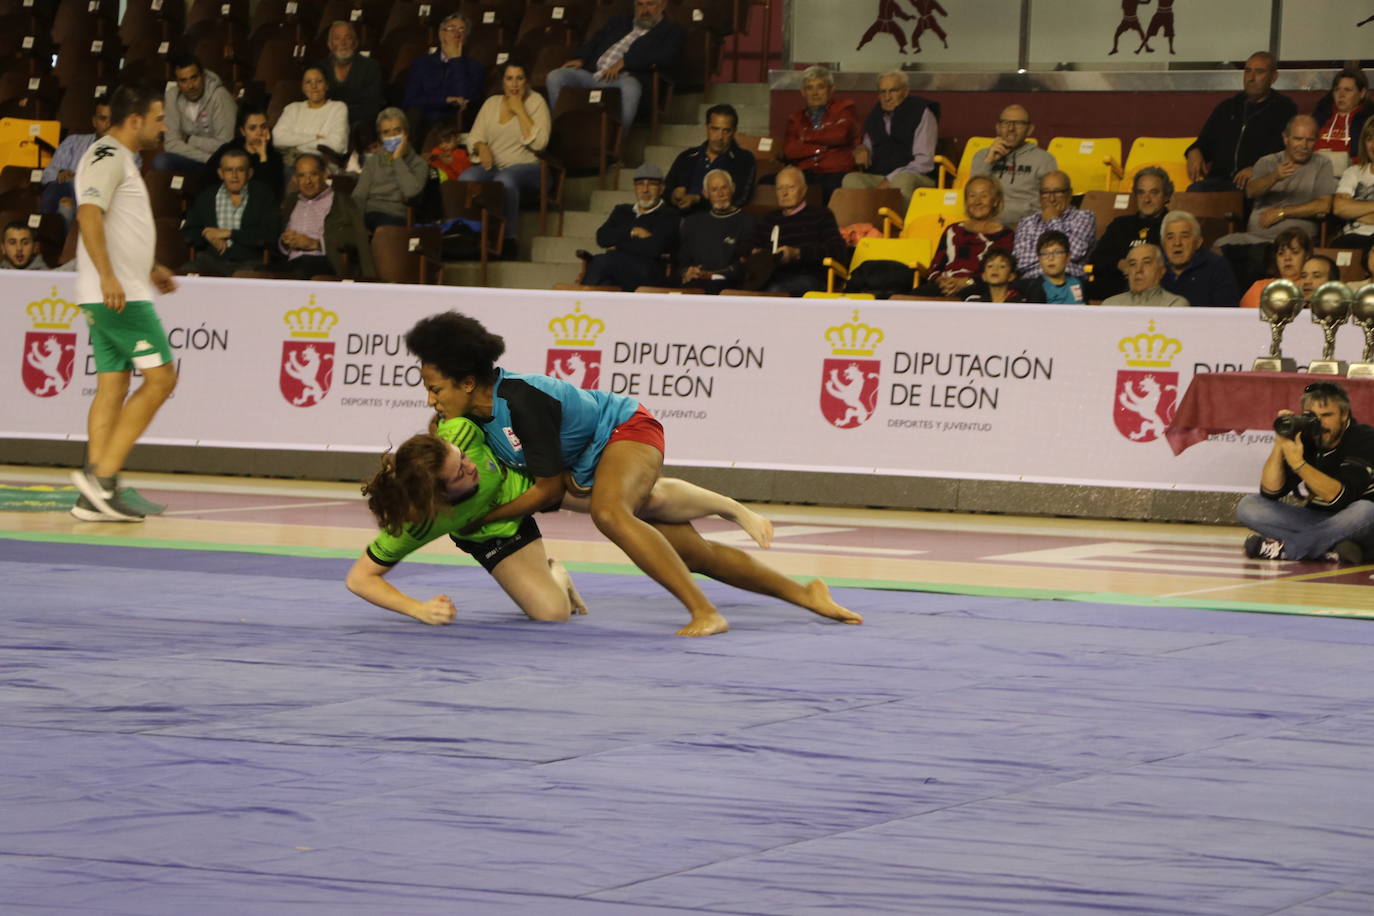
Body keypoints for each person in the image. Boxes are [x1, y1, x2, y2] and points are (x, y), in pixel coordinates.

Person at [403, 311, 864, 636]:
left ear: (467, 382)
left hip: (626, 428)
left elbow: (547, 492)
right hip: (589, 462)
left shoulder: (522, 401)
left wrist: (483, 520)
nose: (431, 399)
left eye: (435, 388)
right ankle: (807, 594)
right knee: (693, 553)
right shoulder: (463, 423)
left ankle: (705, 611)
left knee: (609, 514)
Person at [350, 416, 791, 626]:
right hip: (495, 533)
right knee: (552, 615)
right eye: (459, 473)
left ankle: (733, 507)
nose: (468, 465)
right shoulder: (418, 523)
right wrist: (417, 609)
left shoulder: (458, 433)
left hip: (530, 482)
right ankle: (555, 576)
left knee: (636, 502)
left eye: (463, 459)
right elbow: (360, 578)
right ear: (436, 497)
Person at [69, 82, 179, 522]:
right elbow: (87, 214)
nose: (163, 126)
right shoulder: (106, 156)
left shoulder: (119, 159)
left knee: (113, 386)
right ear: (134, 120)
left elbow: (116, 225)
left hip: (119, 288)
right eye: (157, 118)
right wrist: (110, 277)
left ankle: (98, 495)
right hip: (118, 296)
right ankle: (101, 478)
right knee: (161, 379)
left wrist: (148, 267)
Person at [1236, 381, 1374, 564]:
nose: (1320, 422)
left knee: (1366, 510)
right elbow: (1270, 491)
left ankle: (1289, 549)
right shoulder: (1307, 437)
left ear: (1344, 414)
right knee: (1249, 506)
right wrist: (1281, 443)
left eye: (1327, 415)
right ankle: (1329, 549)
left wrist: (1299, 463)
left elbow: (1341, 496)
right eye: (1313, 416)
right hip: (1323, 522)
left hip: (1361, 524)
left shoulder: (1363, 438)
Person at [1214, 115, 1337, 287]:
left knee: (1259, 255)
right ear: (1285, 138)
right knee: (1218, 249)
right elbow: (1251, 190)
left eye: (1309, 140)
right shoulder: (1267, 162)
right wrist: (1275, 176)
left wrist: (1282, 213)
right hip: (1256, 236)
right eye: (1298, 139)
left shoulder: (1321, 164)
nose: (1303, 145)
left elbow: (1324, 204)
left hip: (1294, 243)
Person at [545, 0, 684, 132]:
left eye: (650, 4)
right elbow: (594, 41)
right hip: (592, 73)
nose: (644, 10)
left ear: (663, 5)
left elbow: (667, 57)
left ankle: (617, 143)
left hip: (622, 79)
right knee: (556, 76)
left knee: (630, 87)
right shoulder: (619, 21)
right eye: (640, 4)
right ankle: (561, 132)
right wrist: (581, 58)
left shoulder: (671, 31)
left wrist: (627, 61)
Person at [459, 61, 550, 258]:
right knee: (466, 178)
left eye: (520, 78)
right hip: (494, 166)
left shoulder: (536, 102)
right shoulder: (492, 103)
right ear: (503, 82)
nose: (514, 84)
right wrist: (481, 147)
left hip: (529, 167)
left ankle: (509, 241)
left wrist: (520, 110)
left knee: (505, 180)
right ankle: (469, 238)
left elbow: (540, 144)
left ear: (527, 81)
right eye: (509, 79)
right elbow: (474, 137)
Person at [1185, 51, 1296, 192]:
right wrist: (1194, 151)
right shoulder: (1227, 107)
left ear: (1273, 77)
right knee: (1194, 192)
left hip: (1256, 184)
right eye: (1248, 71)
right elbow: (1204, 143)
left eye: (1259, 72)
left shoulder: (1284, 109)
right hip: (1219, 181)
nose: (1251, 77)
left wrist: (1257, 169)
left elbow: (1284, 153)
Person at [743, 166, 845, 296]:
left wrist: (798, 253)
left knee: (774, 291)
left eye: (791, 187)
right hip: (771, 276)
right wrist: (755, 253)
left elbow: (837, 251)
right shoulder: (769, 219)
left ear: (803, 190)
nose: (784, 193)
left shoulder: (821, 215)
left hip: (810, 277)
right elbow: (746, 245)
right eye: (780, 188)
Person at [180, 149, 280, 276]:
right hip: (211, 261)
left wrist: (229, 233)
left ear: (249, 173)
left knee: (244, 278)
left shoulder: (262, 195)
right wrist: (207, 234)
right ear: (221, 173)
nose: (234, 175)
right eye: (229, 170)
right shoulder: (207, 196)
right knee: (183, 276)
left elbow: (270, 234)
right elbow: (189, 231)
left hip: (250, 263)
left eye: (240, 170)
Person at [912, 175, 1013, 298]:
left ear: (995, 201)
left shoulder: (1006, 235)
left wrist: (967, 282)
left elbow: (1003, 272)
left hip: (980, 287)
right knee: (903, 299)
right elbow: (935, 267)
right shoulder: (953, 230)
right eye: (972, 195)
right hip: (945, 286)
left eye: (984, 196)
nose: (977, 202)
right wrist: (941, 281)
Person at [277, 153, 375, 279]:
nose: (307, 181)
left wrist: (316, 244)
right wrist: (285, 241)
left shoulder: (342, 201)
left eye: (313, 174)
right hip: (291, 263)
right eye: (301, 176)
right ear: (295, 179)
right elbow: (278, 240)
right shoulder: (291, 201)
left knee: (303, 266)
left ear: (324, 175)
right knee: (258, 274)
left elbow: (357, 237)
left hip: (326, 262)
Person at [842, 70, 937, 200]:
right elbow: (867, 146)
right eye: (882, 92)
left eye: (893, 91)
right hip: (881, 175)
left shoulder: (921, 112)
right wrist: (861, 150)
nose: (887, 97)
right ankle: (865, 220)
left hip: (916, 176)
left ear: (905, 91)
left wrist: (890, 178)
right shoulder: (875, 116)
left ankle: (901, 221)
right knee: (851, 179)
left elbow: (924, 162)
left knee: (902, 180)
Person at [582, 163, 679, 291]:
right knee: (604, 283)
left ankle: (579, 302)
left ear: (662, 188)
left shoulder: (669, 215)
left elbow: (654, 248)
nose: (645, 189)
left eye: (651, 184)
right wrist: (633, 232)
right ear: (634, 188)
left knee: (601, 262)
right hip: (616, 270)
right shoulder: (622, 211)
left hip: (647, 273)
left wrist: (618, 244)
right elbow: (602, 237)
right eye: (640, 184)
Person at [1086, 166, 1172, 301]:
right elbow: (1096, 259)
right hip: (1115, 292)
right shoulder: (1120, 225)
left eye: (1154, 192)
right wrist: (1119, 264)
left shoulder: (1173, 225)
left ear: (1166, 195)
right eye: (1141, 193)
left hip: (1157, 294)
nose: (1146, 199)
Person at [781, 65, 862, 203]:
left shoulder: (844, 108)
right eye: (809, 88)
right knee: (771, 182)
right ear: (803, 92)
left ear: (831, 89)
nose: (815, 93)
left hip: (836, 170)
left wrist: (806, 137)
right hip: (806, 171)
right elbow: (790, 150)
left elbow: (839, 135)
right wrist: (823, 147)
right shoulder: (795, 118)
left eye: (820, 87)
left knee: (829, 186)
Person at [969, 104, 1057, 227]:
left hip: (1025, 227)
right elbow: (972, 195)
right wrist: (988, 162)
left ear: (1030, 129)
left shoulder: (1043, 159)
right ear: (998, 127)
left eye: (1019, 123)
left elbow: (1050, 202)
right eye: (1006, 123)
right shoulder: (982, 156)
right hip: (986, 224)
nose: (1011, 128)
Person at [403, 12, 484, 139]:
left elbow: (463, 98)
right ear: (441, 34)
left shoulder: (474, 66)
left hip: (451, 118)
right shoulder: (422, 62)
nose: (457, 34)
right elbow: (410, 99)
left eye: (462, 30)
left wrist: (456, 61)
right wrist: (444, 100)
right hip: (422, 117)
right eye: (451, 29)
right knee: (414, 113)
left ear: (466, 38)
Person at [664, 103, 756, 215]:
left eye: (726, 130)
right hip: (680, 218)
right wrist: (673, 196)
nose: (719, 137)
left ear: (734, 131)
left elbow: (739, 198)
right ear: (706, 128)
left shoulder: (744, 159)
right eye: (715, 129)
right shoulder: (687, 156)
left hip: (719, 220)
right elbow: (665, 190)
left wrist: (697, 199)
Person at [677, 169, 755, 293]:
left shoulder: (748, 222)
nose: (720, 194)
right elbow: (682, 261)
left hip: (728, 286)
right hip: (694, 284)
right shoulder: (692, 223)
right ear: (705, 193)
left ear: (733, 188)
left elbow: (744, 265)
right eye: (714, 190)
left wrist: (709, 274)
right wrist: (687, 271)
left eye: (724, 188)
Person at [352, 108, 429, 230]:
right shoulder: (373, 162)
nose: (392, 136)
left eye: (397, 131)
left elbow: (411, 193)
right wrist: (356, 226)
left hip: (398, 217)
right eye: (386, 132)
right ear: (381, 138)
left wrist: (397, 159)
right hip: (370, 214)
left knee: (386, 227)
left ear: (406, 133)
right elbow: (359, 196)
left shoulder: (419, 164)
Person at [1011, 170, 1094, 280]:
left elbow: (1074, 252)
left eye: (1058, 192)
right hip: (1032, 282)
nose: (1051, 199)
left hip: (1068, 280)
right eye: (1046, 192)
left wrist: (1052, 219)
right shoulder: (1027, 222)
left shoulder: (1084, 217)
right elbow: (1022, 261)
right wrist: (1057, 257)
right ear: (1040, 196)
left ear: (1069, 194)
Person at [157, 54, 235, 171]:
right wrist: (207, 159)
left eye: (194, 78)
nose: (190, 86)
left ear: (203, 76)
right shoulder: (171, 96)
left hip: (221, 160)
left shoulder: (220, 96)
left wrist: (189, 139)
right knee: (161, 161)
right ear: (177, 82)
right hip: (202, 158)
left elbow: (225, 146)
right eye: (183, 81)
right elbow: (171, 144)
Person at [40, 101, 110, 230]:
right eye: (103, 119)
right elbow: (47, 175)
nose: (108, 124)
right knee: (63, 201)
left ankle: (47, 238)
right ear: (94, 121)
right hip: (66, 194)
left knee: (67, 198)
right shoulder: (73, 142)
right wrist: (60, 173)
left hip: (99, 201)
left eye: (113, 120)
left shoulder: (127, 151)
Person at [205, 105, 286, 203]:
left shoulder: (275, 157)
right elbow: (206, 180)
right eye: (253, 128)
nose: (259, 132)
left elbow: (270, 194)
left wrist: (263, 158)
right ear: (243, 131)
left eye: (263, 127)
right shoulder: (228, 150)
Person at [271, 67, 349, 167]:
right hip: (291, 162)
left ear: (326, 85)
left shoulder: (338, 107)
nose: (314, 86)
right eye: (308, 82)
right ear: (303, 88)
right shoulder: (292, 108)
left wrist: (295, 144)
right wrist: (316, 137)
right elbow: (278, 139)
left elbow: (337, 145)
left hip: (322, 164)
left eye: (319, 81)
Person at [1161, 210, 1239, 307]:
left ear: (1198, 242)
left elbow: (1228, 313)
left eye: (1184, 236)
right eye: (1170, 237)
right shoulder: (1155, 268)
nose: (1177, 243)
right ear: (1164, 244)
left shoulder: (1217, 267)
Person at [321, 20, 384, 137]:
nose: (343, 43)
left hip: (358, 126)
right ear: (330, 44)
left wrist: (339, 117)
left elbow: (371, 107)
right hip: (324, 124)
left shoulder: (370, 67)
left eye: (348, 38)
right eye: (337, 38)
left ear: (355, 43)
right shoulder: (319, 69)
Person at [1312, 68, 1370, 175]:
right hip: (1314, 173)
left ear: (1362, 93)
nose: (1341, 95)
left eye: (1348, 90)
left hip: (1353, 175)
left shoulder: (1368, 121)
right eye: (1337, 89)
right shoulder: (1320, 116)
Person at [1239, 226, 1313, 309]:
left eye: (1295, 252)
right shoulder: (1260, 288)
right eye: (1281, 253)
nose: (1287, 258)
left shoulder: (1312, 285)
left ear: (1307, 256)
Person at [1331, 119, 1374, 254]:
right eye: (1369, 139)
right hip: (1351, 239)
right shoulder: (1353, 172)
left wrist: (1354, 209)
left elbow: (1347, 209)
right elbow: (1339, 208)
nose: (1373, 145)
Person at [1102, 244, 1189, 307]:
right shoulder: (1110, 305)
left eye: (1147, 262)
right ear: (1127, 272)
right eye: (1133, 264)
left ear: (1161, 271)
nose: (1138, 270)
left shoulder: (1174, 305)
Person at [959, 249, 1029, 303]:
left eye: (1002, 266)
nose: (995, 269)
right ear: (984, 276)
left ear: (1011, 276)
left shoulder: (1022, 303)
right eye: (990, 266)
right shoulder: (974, 302)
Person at [1033, 231, 1085, 304]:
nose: (1050, 258)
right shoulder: (1037, 287)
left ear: (1068, 257)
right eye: (1044, 254)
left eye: (1057, 252)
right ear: (1039, 258)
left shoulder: (1076, 283)